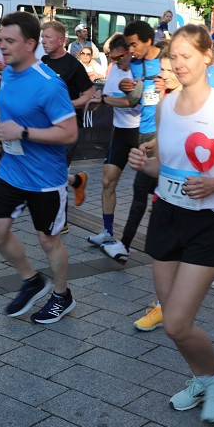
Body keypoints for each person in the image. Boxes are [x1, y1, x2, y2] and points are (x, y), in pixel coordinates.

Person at [127, 24, 214, 423]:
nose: (179, 64)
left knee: (178, 321)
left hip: (209, 222)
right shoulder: (164, 106)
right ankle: (203, 377)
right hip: (166, 216)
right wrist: (144, 164)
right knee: (170, 320)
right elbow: (166, 167)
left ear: (207, 57)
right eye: (174, 56)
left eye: (187, 56)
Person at [0, 11, 80, 324]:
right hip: (11, 171)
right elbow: (12, 118)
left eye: (10, 41)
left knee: (49, 241)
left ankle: (62, 295)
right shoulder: (6, 75)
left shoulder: (50, 85)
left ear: (31, 44)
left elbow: (69, 133)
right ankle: (31, 280)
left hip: (46, 179)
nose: (2, 46)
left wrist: (22, 133)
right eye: (0, 40)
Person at [102, 20, 162, 265]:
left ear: (149, 41)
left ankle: (125, 244)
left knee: (143, 190)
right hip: (143, 134)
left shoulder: (167, 59)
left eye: (134, 44)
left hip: (163, 134)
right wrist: (128, 88)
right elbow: (137, 98)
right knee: (149, 191)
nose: (131, 50)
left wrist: (168, 86)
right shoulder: (135, 64)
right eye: (129, 45)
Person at [86, 35, 141, 253]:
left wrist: (104, 100)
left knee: (148, 188)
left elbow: (130, 102)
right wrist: (96, 102)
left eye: (119, 57)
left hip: (141, 134)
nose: (116, 61)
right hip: (120, 133)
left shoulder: (139, 71)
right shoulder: (115, 69)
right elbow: (106, 97)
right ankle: (107, 231)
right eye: (112, 57)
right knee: (108, 181)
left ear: (129, 52)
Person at [40, 20, 94, 206]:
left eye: (47, 37)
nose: (43, 41)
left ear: (61, 40)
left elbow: (89, 93)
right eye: (42, 37)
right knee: (49, 169)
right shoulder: (44, 62)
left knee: (56, 171)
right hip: (47, 124)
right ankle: (76, 181)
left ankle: (60, 221)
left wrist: (68, 105)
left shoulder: (73, 65)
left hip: (68, 126)